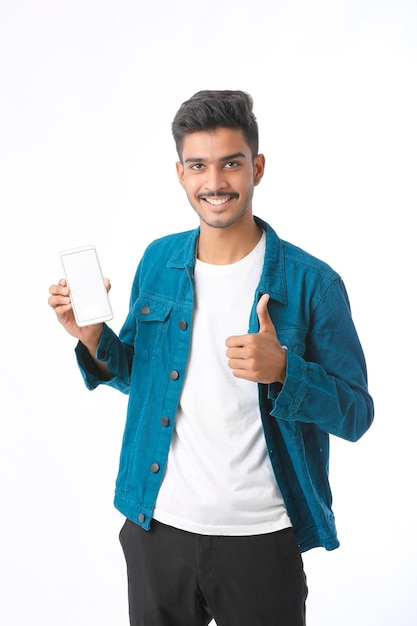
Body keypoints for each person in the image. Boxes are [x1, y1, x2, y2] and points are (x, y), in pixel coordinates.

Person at [48, 90, 374, 626]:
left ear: (257, 168)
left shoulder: (313, 282)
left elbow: (357, 414)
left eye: (231, 164)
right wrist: (91, 336)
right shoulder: (159, 260)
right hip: (158, 530)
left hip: (261, 540)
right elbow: (141, 376)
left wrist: (287, 371)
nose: (215, 183)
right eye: (198, 166)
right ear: (180, 174)